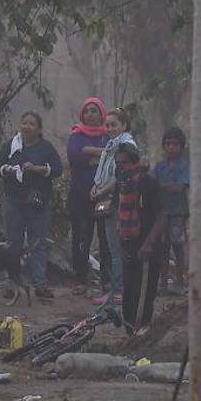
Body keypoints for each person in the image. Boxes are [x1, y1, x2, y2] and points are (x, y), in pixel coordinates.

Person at [0, 110, 62, 302]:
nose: (27, 126)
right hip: (13, 200)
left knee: (37, 242)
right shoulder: (11, 146)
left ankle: (40, 284)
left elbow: (57, 169)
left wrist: (39, 169)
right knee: (13, 242)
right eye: (24, 123)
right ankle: (11, 283)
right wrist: (6, 169)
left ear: (39, 129)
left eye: (32, 124)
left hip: (37, 202)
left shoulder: (46, 148)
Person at [111, 142, 167, 333]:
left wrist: (148, 243)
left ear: (134, 162)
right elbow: (118, 214)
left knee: (144, 293)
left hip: (147, 246)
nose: (121, 167)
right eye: (117, 163)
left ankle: (142, 333)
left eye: (124, 163)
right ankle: (129, 334)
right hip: (129, 245)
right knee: (128, 294)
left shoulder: (147, 182)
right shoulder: (123, 185)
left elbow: (161, 216)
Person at [89, 107, 135, 305]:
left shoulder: (126, 146)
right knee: (111, 247)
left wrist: (102, 190)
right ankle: (117, 288)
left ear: (124, 125)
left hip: (120, 201)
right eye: (107, 125)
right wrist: (95, 187)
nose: (109, 128)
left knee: (117, 248)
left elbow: (121, 175)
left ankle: (119, 290)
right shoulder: (110, 145)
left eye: (114, 125)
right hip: (108, 199)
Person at [66, 97, 110, 294]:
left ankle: (107, 280)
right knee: (82, 236)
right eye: (87, 111)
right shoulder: (76, 135)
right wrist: (102, 155)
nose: (91, 114)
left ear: (102, 114)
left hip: (104, 195)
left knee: (105, 237)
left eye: (94, 111)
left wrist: (91, 152)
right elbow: (75, 158)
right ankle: (80, 279)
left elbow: (114, 157)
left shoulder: (109, 135)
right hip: (80, 195)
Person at [153, 127, 190, 296]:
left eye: (175, 144)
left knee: (178, 247)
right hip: (161, 214)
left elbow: (180, 187)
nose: (171, 148)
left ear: (182, 147)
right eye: (168, 144)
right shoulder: (160, 167)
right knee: (163, 248)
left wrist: (161, 187)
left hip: (177, 213)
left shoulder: (184, 166)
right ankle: (163, 285)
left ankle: (181, 282)